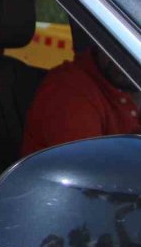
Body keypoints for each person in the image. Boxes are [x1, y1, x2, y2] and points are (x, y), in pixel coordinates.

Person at [21, 22, 140, 156]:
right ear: (98, 40)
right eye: (114, 43)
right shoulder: (69, 90)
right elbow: (90, 169)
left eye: (129, 45)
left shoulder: (127, 87)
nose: (123, 57)